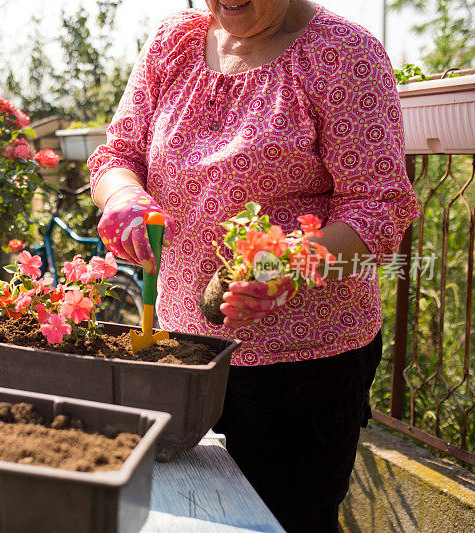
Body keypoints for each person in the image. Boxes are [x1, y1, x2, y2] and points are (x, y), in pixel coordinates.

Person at [87, 1, 420, 531]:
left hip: (302, 365)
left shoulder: (343, 54)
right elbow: (117, 154)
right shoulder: (174, 43)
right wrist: (123, 197)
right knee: (189, 513)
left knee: (287, 520)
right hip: (185, 349)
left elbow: (379, 208)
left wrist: (287, 263)